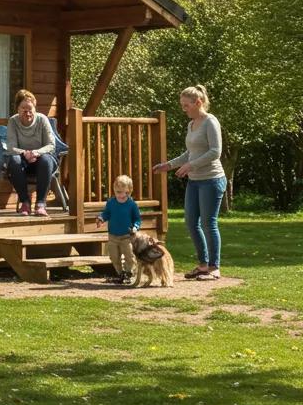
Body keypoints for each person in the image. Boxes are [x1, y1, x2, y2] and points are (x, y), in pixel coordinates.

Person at [152, 84, 226, 281]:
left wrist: (191, 166)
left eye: (186, 105)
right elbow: (190, 153)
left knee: (208, 223)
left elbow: (215, 152)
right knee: (191, 222)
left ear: (198, 102)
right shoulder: (191, 124)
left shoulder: (210, 122)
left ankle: (214, 267)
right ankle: (202, 265)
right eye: (182, 105)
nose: (183, 109)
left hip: (212, 180)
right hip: (194, 181)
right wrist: (169, 165)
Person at [4, 89, 57, 216]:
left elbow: (51, 145)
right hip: (23, 161)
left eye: (30, 109)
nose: (27, 112)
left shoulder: (42, 120)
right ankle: (25, 203)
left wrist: (36, 153)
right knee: (14, 161)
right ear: (17, 108)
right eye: (23, 108)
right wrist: (25, 153)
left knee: (45, 160)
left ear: (35, 108)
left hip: (43, 160)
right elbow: (11, 147)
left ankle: (40, 204)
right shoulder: (13, 121)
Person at [95, 174, 142, 284]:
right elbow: (106, 213)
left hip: (127, 235)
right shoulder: (111, 203)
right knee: (113, 256)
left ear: (129, 191)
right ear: (114, 190)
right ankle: (120, 274)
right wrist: (101, 218)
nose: (121, 195)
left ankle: (129, 273)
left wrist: (135, 227)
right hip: (113, 236)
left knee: (129, 255)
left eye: (124, 193)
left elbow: (137, 219)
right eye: (118, 192)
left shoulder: (132, 204)